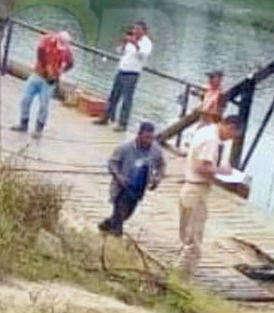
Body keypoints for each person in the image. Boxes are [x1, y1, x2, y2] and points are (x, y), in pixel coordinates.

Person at [175, 114, 244, 277]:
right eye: (232, 135)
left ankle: (179, 269)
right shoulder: (211, 140)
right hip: (197, 190)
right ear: (229, 127)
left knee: (186, 234)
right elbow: (203, 167)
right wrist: (224, 172)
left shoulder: (204, 131)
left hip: (189, 187)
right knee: (194, 239)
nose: (230, 139)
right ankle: (182, 276)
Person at [98, 122, 166, 237]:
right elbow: (112, 163)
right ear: (139, 135)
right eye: (146, 137)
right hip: (122, 187)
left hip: (139, 188)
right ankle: (115, 237)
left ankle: (107, 224)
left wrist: (157, 178)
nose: (148, 141)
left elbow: (162, 165)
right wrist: (119, 177)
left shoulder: (156, 150)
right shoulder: (124, 148)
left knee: (127, 214)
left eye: (151, 137)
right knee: (120, 212)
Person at [12, 30, 74, 138]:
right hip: (38, 75)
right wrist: (46, 68)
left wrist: (60, 72)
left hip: (50, 81)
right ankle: (23, 123)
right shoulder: (47, 40)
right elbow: (40, 53)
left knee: (44, 105)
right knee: (25, 99)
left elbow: (71, 63)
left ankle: (38, 128)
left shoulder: (66, 50)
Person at [95, 21, 152, 132]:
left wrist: (135, 43)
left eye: (138, 29)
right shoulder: (130, 39)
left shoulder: (146, 43)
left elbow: (143, 55)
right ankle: (107, 117)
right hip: (121, 70)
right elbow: (120, 51)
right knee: (113, 96)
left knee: (127, 99)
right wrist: (124, 44)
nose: (135, 31)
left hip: (132, 73)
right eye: (135, 29)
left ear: (144, 31)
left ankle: (123, 123)